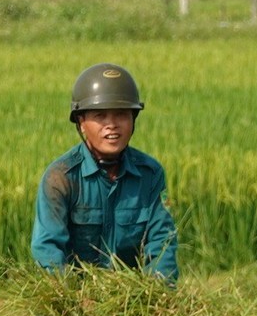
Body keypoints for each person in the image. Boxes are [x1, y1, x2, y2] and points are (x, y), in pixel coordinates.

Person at [30, 63, 178, 282]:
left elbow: (162, 241)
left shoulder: (150, 174)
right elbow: (47, 249)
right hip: (73, 299)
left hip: (133, 297)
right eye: (100, 116)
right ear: (81, 122)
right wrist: (71, 298)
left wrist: (156, 294)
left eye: (121, 115)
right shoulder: (60, 177)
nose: (112, 125)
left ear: (133, 120)